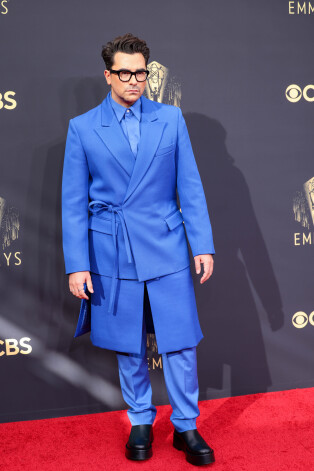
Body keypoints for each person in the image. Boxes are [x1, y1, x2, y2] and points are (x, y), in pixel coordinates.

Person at [61, 32, 216, 466]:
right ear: (108, 74)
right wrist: (77, 265)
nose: (134, 81)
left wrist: (201, 243)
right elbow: (73, 204)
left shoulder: (171, 120)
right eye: (125, 73)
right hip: (112, 249)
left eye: (141, 73)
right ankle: (141, 421)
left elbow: (190, 185)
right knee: (129, 344)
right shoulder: (83, 128)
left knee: (180, 343)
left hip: (165, 243)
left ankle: (186, 426)